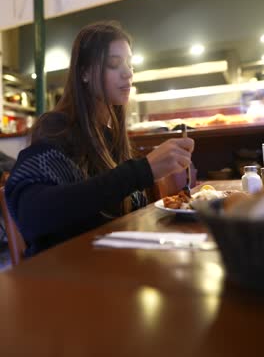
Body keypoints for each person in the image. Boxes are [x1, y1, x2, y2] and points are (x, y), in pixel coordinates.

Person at [5, 21, 194, 257]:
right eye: (114, 64)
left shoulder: (109, 136)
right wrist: (142, 171)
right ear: (84, 73)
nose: (128, 72)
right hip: (61, 277)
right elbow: (33, 215)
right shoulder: (56, 129)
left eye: (129, 63)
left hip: (109, 266)